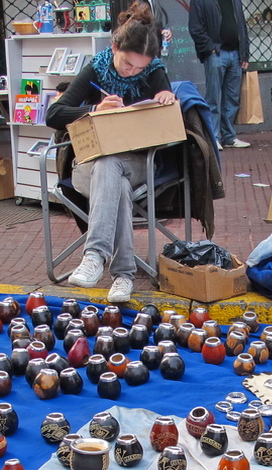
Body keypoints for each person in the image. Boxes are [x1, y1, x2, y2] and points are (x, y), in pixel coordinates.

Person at [46, 1, 175, 303]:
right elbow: (54, 114)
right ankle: (123, 275)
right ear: (115, 46)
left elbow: (170, 125)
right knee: (112, 172)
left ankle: (95, 257)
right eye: (128, 64)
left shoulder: (155, 72)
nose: (133, 72)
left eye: (140, 67)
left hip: (140, 162)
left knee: (113, 168)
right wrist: (94, 109)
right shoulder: (96, 67)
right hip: (91, 165)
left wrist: (167, 96)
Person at [188, 0, 250, 149]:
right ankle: (213, 137)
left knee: (232, 98)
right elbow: (195, 28)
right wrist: (210, 49)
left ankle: (229, 137)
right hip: (216, 54)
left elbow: (242, 26)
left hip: (236, 54)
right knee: (213, 98)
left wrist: (245, 53)